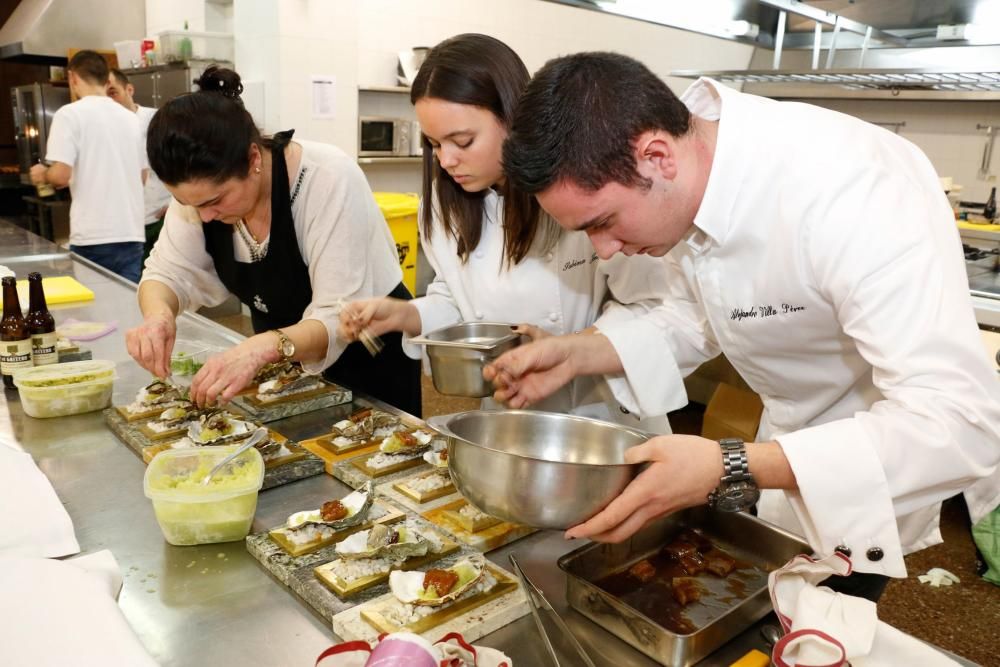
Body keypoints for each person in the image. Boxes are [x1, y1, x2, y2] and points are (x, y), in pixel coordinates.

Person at [487, 51, 1000, 599]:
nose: (605, 253)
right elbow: (694, 313)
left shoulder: (851, 188)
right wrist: (576, 355)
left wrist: (730, 464)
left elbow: (962, 419)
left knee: (829, 623)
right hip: (781, 442)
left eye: (604, 223)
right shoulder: (690, 174)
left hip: (873, 464)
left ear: (656, 156)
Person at [338, 34, 682, 432]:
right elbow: (462, 298)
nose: (447, 160)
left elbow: (649, 305)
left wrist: (568, 346)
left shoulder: (577, 188)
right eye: (434, 144)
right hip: (508, 411)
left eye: (463, 141)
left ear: (511, 116)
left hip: (599, 413)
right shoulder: (445, 199)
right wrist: (407, 314)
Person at [127, 66, 421, 415]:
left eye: (214, 202)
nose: (204, 217)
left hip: (370, 362)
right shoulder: (199, 196)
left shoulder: (326, 178)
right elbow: (166, 272)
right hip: (283, 367)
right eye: (188, 204)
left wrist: (264, 347)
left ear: (253, 158)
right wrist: (159, 315)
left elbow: (336, 316)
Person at [29, 50, 146, 282]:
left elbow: (61, 175)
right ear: (107, 79)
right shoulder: (132, 119)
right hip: (131, 232)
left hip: (93, 235)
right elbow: (142, 177)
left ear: (72, 77)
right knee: (126, 307)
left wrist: (43, 174)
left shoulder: (70, 115)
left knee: (95, 313)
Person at [107, 68, 173, 264]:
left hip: (160, 218)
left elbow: (184, 164)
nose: (109, 101)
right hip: (123, 227)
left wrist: (177, 204)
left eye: (113, 92)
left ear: (129, 89)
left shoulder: (157, 120)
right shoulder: (103, 128)